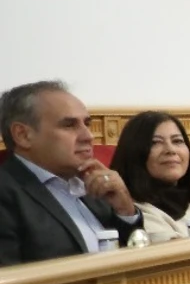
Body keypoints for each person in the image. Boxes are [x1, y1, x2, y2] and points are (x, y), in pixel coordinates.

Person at [0, 81, 144, 264]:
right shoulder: (6, 192)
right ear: (23, 135)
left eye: (87, 124)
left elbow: (137, 257)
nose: (88, 136)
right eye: (69, 125)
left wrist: (125, 211)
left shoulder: (93, 182)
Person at [112, 110, 190, 242]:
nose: (171, 150)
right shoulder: (135, 214)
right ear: (134, 153)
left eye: (177, 141)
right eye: (155, 143)